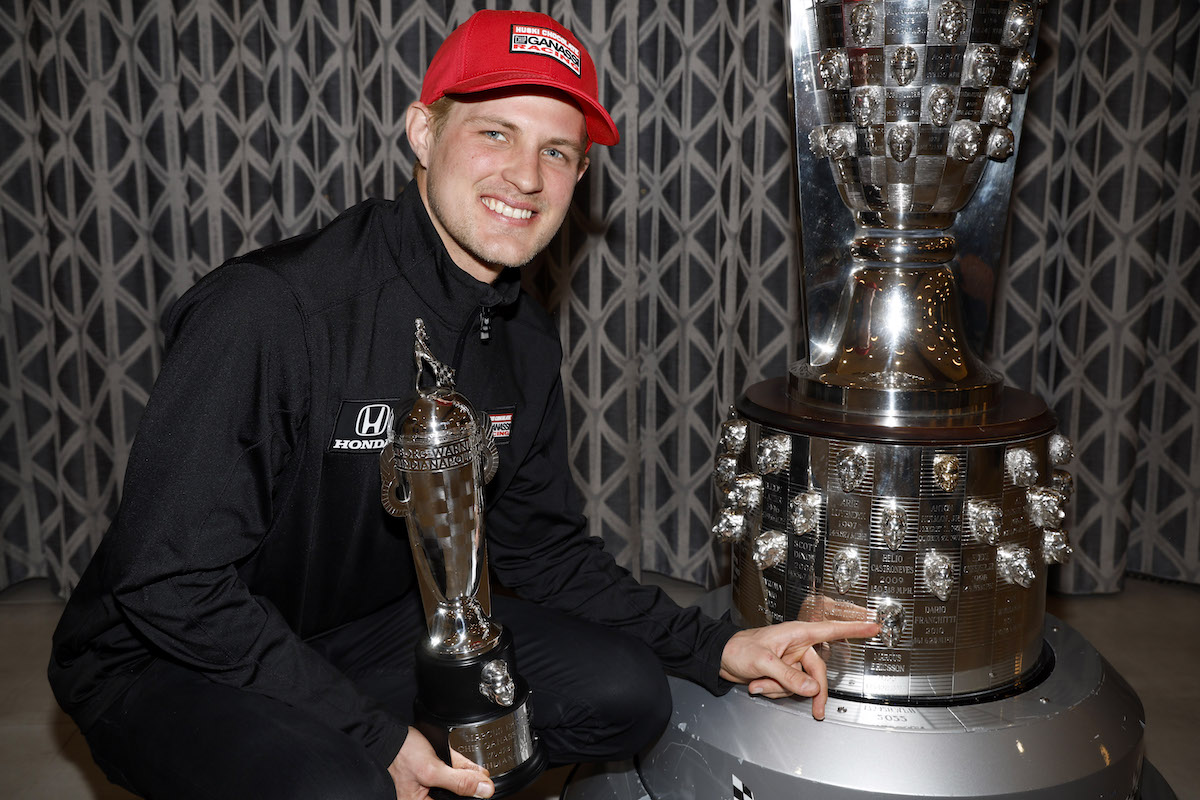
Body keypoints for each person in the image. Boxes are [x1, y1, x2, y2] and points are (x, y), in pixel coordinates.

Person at [48, 10, 878, 800]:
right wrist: (368, 733)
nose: (526, 176)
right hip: (162, 652)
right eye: (495, 133)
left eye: (559, 153)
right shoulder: (268, 312)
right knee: (341, 784)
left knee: (627, 694)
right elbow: (168, 584)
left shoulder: (522, 340)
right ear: (422, 133)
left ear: (580, 175)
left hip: (361, 627)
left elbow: (540, 551)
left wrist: (719, 646)